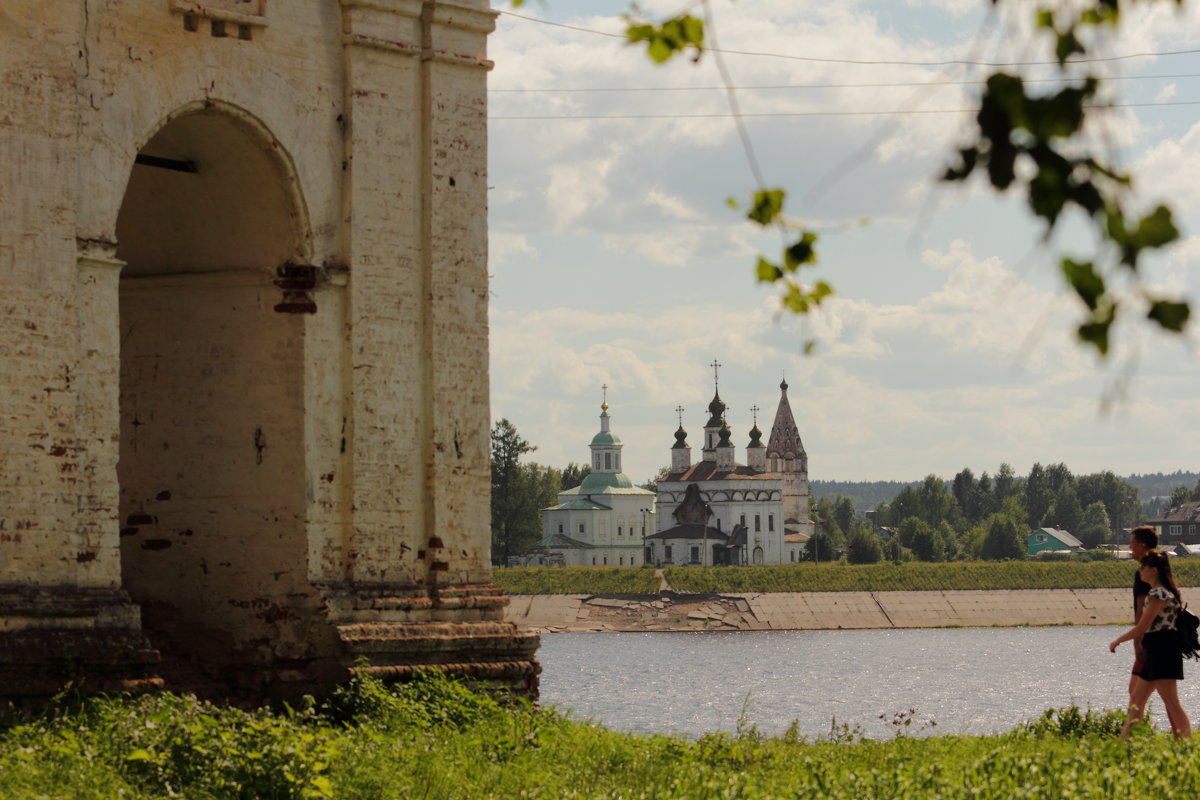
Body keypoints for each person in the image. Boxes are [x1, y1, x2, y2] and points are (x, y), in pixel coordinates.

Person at [1109, 551, 1192, 739]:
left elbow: (1142, 627)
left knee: (1172, 702)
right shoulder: (1160, 592)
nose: (1140, 570)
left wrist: (1117, 641)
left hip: (1163, 649)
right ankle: (1123, 747)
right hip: (1156, 649)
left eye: (1143, 567)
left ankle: (1188, 745)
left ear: (1154, 570)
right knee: (1137, 701)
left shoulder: (1159, 593)